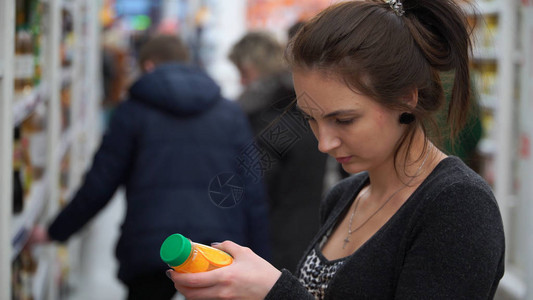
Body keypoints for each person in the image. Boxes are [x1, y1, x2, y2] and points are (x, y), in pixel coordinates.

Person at [167, 0, 505, 299]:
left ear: (406, 97)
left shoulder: (457, 205)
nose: (324, 143)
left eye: (343, 120)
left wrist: (273, 292)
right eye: (310, 119)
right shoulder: (345, 195)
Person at [28, 34, 271, 300]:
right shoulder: (230, 113)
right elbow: (253, 193)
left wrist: (55, 231)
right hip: (217, 250)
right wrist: (261, 263)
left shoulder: (131, 112)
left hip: (151, 248)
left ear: (148, 66)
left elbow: (99, 184)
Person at [228, 31, 329, 272]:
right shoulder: (301, 107)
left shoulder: (269, 119)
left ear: (257, 67)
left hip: (277, 241)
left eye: (243, 73)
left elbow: (256, 186)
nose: (241, 82)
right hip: (309, 233)